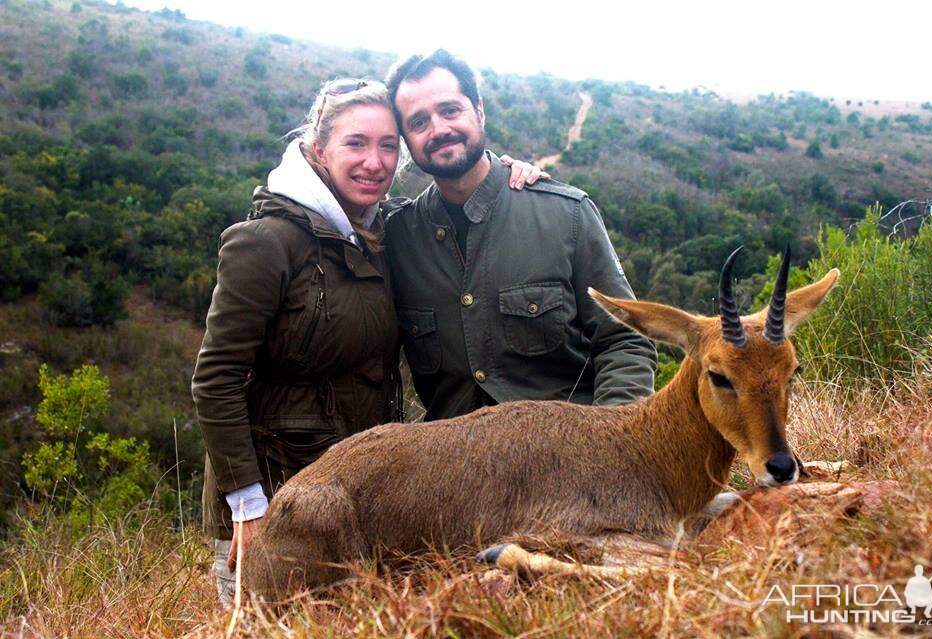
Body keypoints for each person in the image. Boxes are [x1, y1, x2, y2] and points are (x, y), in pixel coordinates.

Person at [191, 79, 544, 606]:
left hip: (364, 507)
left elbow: (461, 198)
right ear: (318, 149)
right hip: (280, 510)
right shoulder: (265, 243)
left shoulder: (380, 235)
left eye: (387, 146)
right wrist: (248, 508)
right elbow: (215, 381)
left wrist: (507, 173)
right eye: (356, 143)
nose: (374, 162)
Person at [383, 50, 658, 420]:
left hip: (567, 457)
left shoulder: (566, 215)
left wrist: (609, 440)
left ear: (479, 110)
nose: (439, 130)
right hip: (452, 467)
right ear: (405, 139)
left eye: (450, 110)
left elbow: (625, 339)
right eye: (418, 122)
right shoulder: (396, 236)